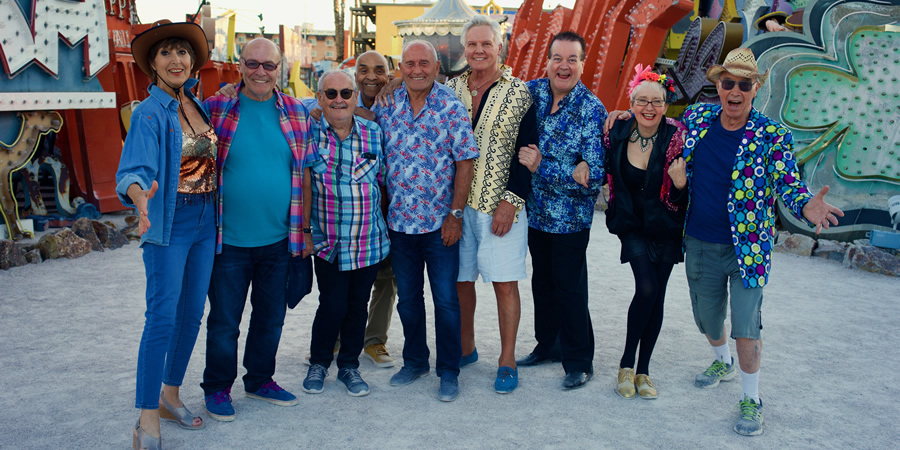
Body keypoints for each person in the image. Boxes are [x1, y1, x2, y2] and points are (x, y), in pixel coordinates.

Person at [605, 47, 843, 436]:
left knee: (746, 327)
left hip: (748, 248)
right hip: (699, 242)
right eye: (728, 82)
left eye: (743, 84)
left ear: (755, 89)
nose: (734, 90)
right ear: (718, 85)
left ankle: (752, 399)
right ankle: (722, 360)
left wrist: (805, 206)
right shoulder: (696, 119)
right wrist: (623, 114)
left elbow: (789, 184)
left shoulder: (771, 135)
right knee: (708, 320)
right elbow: (653, 118)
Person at [201, 38, 316, 421]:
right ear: (240, 66)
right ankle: (218, 387)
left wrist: (306, 230)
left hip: (280, 239)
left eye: (269, 66)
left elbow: (307, 176)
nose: (261, 72)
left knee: (270, 317)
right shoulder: (216, 108)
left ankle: (260, 380)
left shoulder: (298, 112)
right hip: (228, 240)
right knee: (224, 322)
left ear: (280, 67)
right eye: (253, 64)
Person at [116, 20, 213, 449]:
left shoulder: (196, 102)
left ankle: (170, 393)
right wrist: (139, 197)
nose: (177, 59)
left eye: (183, 52)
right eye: (166, 53)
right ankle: (146, 416)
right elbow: (134, 168)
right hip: (169, 223)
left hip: (207, 223)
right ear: (152, 65)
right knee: (161, 318)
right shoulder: (149, 113)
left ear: (192, 61)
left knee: (192, 314)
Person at [372, 40, 479, 402]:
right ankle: (415, 360)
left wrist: (455, 215)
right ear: (400, 68)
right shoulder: (388, 105)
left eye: (424, 63)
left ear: (436, 68)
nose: (416, 70)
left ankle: (449, 371)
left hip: (439, 225)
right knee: (409, 301)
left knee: (447, 300)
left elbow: (465, 161)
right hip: (399, 224)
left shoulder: (451, 106)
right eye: (409, 64)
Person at [444, 15, 540, 394]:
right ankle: (467, 348)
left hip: (500, 205)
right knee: (461, 280)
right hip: (456, 205)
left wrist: (511, 201)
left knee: (504, 284)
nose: (479, 50)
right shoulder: (449, 90)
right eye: (473, 44)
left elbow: (528, 150)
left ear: (500, 47)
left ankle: (507, 359)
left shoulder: (519, 93)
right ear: (464, 49)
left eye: (487, 44)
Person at [516, 31, 607, 390]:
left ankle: (580, 360)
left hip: (570, 220)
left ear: (583, 64)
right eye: (557, 58)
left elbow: (592, 176)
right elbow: (494, 91)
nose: (563, 66)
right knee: (543, 283)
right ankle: (548, 345)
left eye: (572, 59)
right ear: (548, 61)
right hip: (536, 214)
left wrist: (544, 167)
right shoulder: (532, 92)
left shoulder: (591, 108)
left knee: (570, 288)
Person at [299, 69, 389, 397]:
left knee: (357, 305)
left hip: (367, 240)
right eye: (331, 93)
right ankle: (320, 362)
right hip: (327, 241)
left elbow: (385, 181)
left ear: (354, 97)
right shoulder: (307, 131)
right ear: (319, 98)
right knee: (332, 304)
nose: (339, 100)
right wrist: (304, 231)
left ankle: (349, 366)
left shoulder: (374, 133)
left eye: (346, 93)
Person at [603, 65, 688, 400]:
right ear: (632, 102)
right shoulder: (616, 130)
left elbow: (686, 190)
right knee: (647, 287)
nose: (649, 108)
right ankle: (625, 363)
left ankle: (644, 371)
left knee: (658, 296)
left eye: (656, 101)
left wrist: (680, 186)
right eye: (642, 101)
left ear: (666, 106)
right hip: (632, 224)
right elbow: (598, 159)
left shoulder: (678, 136)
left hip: (666, 225)